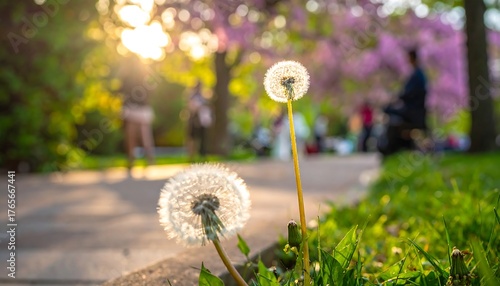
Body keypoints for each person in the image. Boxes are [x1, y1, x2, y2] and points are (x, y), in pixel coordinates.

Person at [379, 49, 428, 155]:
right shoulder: (418, 74)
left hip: (413, 111)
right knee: (390, 111)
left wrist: (397, 97)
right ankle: (390, 144)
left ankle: (388, 146)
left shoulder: (417, 75)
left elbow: (408, 94)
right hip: (415, 110)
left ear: (412, 58)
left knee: (387, 109)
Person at [119, 56, 156, 170]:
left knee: (132, 136)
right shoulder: (144, 76)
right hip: (138, 108)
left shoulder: (128, 77)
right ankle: (148, 158)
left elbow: (121, 91)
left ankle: (132, 160)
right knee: (143, 135)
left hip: (134, 108)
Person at [187, 82, 213, 161]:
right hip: (194, 120)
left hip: (202, 121)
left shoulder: (204, 96)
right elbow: (191, 107)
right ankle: (192, 156)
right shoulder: (192, 96)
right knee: (193, 138)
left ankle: (202, 154)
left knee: (203, 138)